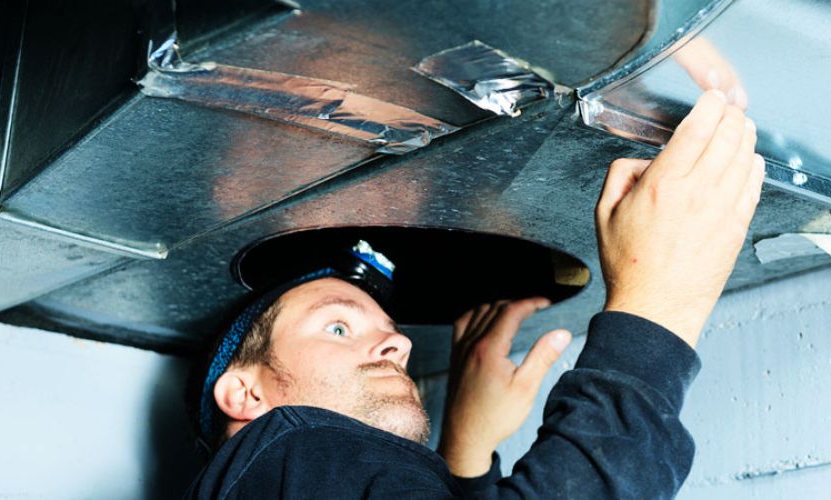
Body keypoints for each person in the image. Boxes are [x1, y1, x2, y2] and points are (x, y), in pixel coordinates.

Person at [185, 89, 764, 499]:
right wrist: (656, 305)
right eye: (339, 326)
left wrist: (464, 453)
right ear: (245, 393)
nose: (398, 347)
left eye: (391, 331)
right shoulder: (292, 446)